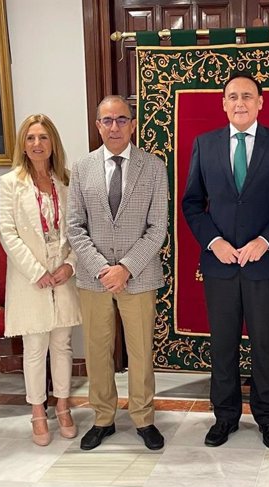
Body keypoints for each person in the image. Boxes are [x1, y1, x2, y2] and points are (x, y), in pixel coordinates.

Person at [181, 72, 269, 449]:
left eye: (247, 96)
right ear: (222, 103)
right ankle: (225, 417)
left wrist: (265, 241)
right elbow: (192, 203)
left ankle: (268, 418)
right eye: (232, 96)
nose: (240, 102)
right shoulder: (204, 144)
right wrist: (214, 241)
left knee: (265, 343)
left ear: (260, 102)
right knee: (223, 344)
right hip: (220, 263)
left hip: (262, 263)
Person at [67, 95, 168, 451]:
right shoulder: (82, 167)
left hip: (138, 276)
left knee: (140, 350)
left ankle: (143, 417)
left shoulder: (154, 167)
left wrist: (125, 268)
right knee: (97, 349)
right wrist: (101, 269)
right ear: (98, 125)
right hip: (93, 278)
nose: (115, 127)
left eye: (122, 120)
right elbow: (75, 227)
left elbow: (158, 228)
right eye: (107, 121)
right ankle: (103, 417)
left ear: (133, 124)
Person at [0, 114, 82, 446]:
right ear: (23, 143)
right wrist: (37, 272)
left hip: (62, 272)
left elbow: (78, 229)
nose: (37, 144)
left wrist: (70, 265)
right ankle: (37, 411)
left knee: (62, 345)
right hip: (30, 276)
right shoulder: (10, 183)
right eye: (31, 138)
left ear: (53, 143)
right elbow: (7, 233)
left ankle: (62, 407)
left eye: (43, 138)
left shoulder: (67, 180)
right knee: (35, 348)